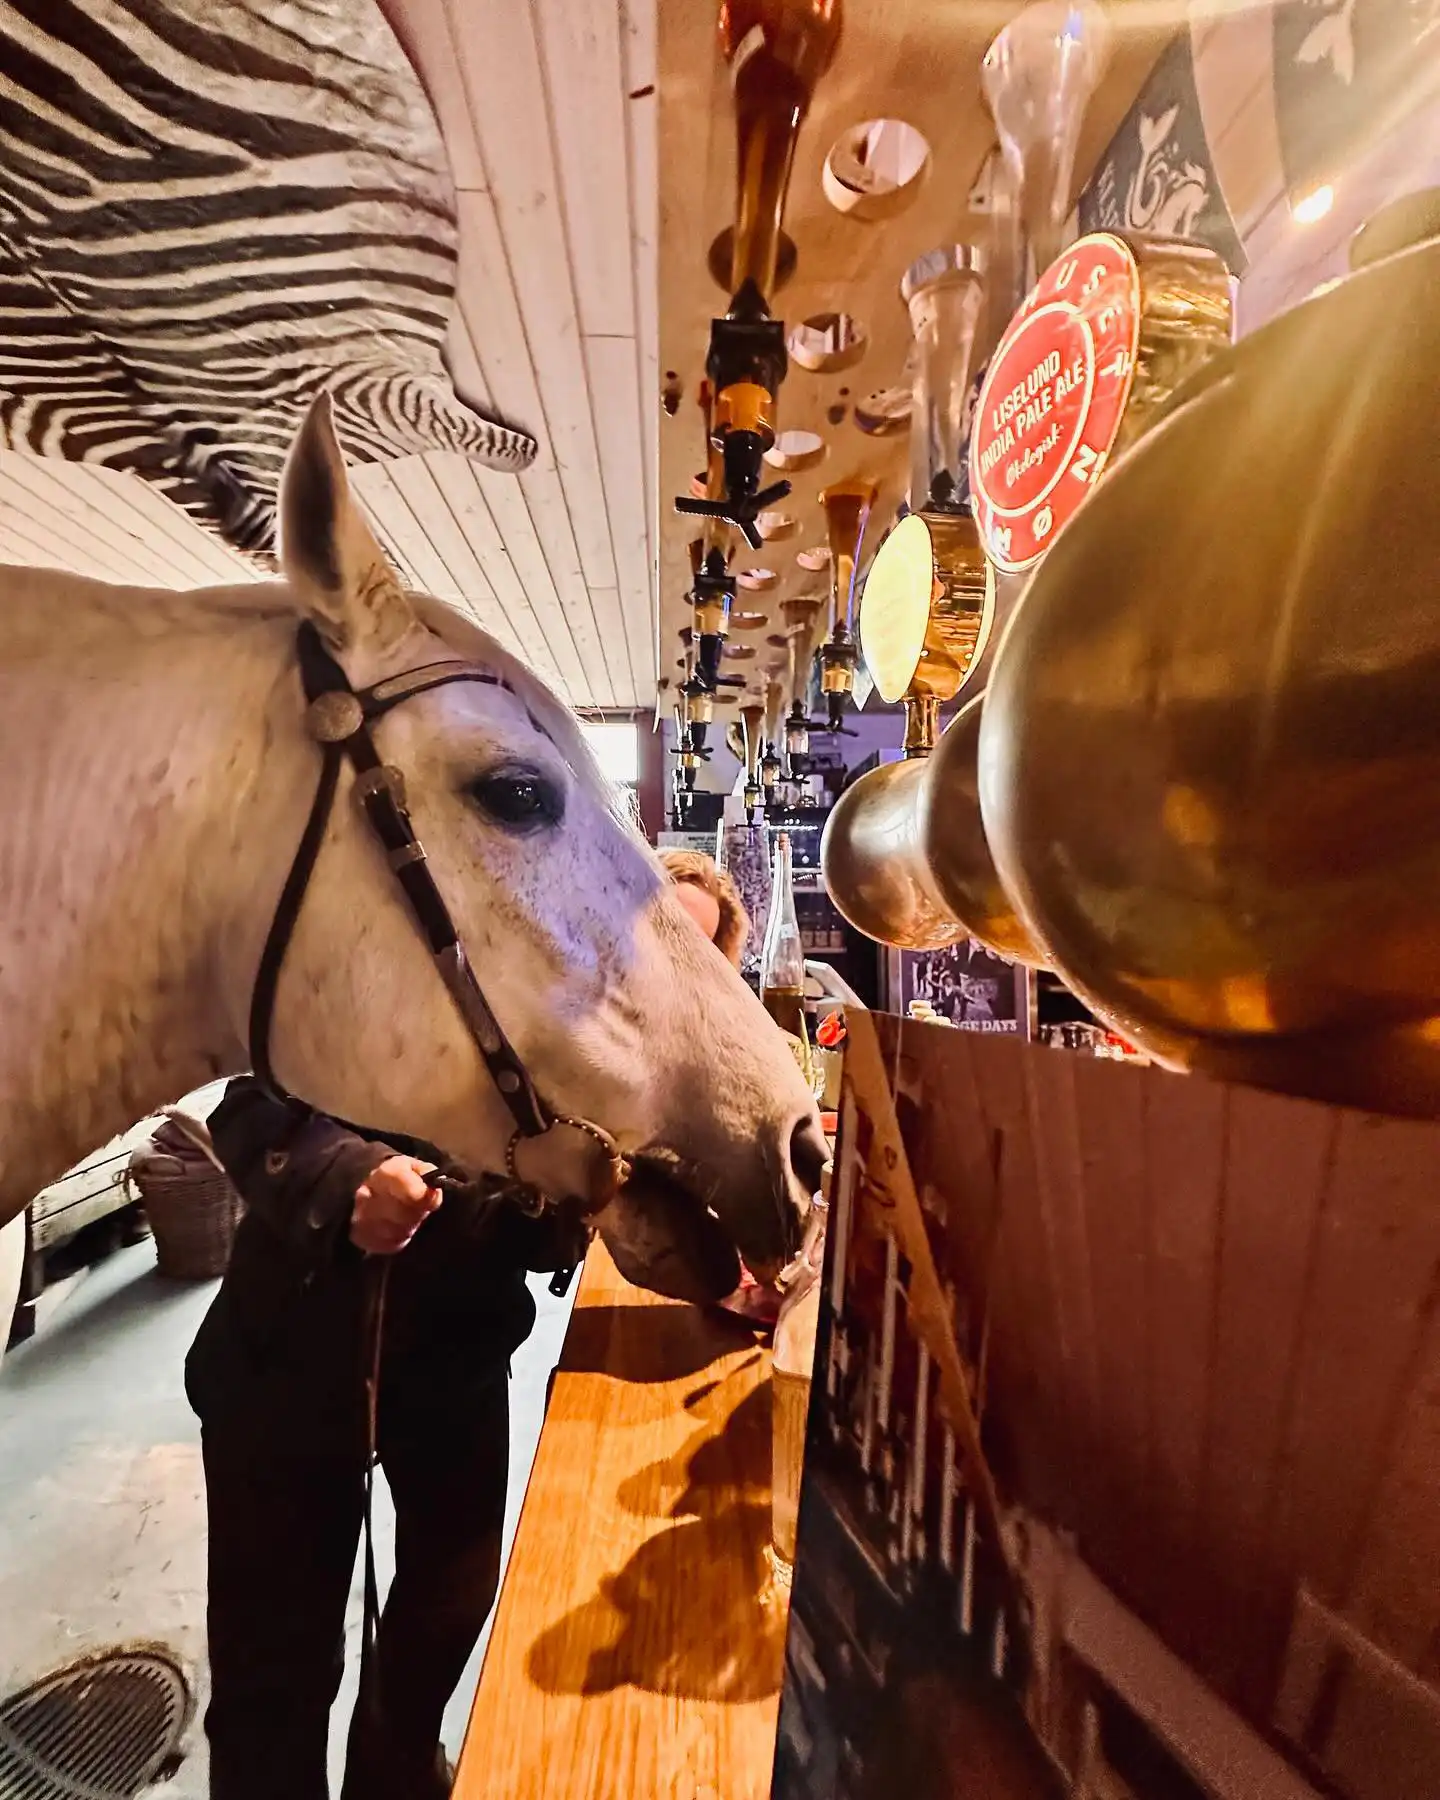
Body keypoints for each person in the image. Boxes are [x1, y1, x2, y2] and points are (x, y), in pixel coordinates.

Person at [186, 1083, 586, 1800]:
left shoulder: (577, 1004)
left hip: (455, 1351)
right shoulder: (356, 972)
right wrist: (348, 1178)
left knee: (450, 1605)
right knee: (273, 1680)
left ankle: (396, 1772)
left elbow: (547, 1221)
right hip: (285, 1357)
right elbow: (247, 1110)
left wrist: (568, 1196)